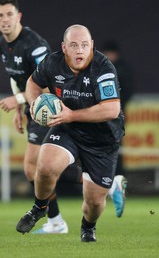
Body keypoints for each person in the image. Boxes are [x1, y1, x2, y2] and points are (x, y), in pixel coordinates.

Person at [16, 24, 125, 242]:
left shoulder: (102, 68)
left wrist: (71, 115)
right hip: (68, 129)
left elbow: (111, 109)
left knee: (93, 203)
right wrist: (35, 104)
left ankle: (88, 227)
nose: (80, 50)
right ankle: (39, 208)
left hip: (102, 139)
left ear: (92, 46)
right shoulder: (52, 63)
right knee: (44, 166)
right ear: (64, 47)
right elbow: (32, 83)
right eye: (74, 45)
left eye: (85, 45)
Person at [0, 0, 81, 234]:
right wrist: (20, 108)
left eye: (9, 14)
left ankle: (100, 184)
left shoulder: (34, 44)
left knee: (35, 168)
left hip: (50, 107)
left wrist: (18, 100)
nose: (5, 20)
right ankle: (56, 220)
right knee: (36, 170)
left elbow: (49, 81)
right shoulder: (3, 43)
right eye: (0, 15)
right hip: (33, 108)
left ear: (19, 16)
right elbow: (15, 77)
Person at [102, 40, 134, 179]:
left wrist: (114, 107)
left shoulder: (120, 70)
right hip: (101, 115)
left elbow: (127, 92)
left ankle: (117, 179)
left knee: (115, 147)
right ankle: (105, 179)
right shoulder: (101, 68)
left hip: (115, 116)